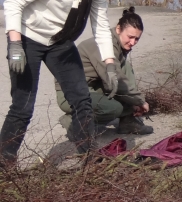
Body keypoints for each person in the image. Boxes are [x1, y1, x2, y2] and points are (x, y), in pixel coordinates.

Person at [0, 0, 121, 167]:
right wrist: (15, 45)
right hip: (27, 36)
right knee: (23, 106)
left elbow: (100, 25)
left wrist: (109, 64)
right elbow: (14, 3)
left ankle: (88, 155)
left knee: (82, 99)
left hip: (60, 41)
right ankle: (4, 163)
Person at [56, 6, 152, 135]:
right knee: (113, 108)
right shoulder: (104, 45)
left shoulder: (117, 43)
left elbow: (119, 79)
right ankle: (74, 123)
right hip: (70, 94)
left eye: (137, 39)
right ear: (118, 29)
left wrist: (134, 101)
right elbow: (116, 80)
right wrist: (140, 101)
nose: (133, 42)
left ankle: (128, 121)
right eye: (130, 37)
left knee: (125, 67)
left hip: (91, 86)